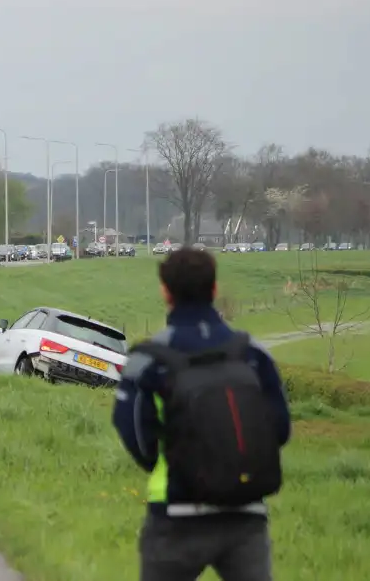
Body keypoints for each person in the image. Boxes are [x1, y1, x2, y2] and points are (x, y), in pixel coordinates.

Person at [112, 248, 291, 581]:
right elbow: (280, 427)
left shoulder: (149, 359)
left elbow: (132, 428)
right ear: (215, 289)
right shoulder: (253, 354)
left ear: (165, 291)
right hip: (246, 512)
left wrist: (165, 462)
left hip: (177, 512)